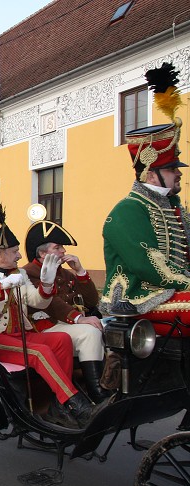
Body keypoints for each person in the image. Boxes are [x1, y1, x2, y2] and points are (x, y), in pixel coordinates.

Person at [0, 206, 103, 428]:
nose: (19, 255)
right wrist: (0, 287)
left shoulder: (20, 274)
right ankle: (74, 402)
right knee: (39, 352)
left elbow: (37, 301)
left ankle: (56, 405)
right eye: (14, 251)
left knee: (62, 340)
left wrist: (46, 284)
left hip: (21, 333)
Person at [101, 62, 190, 335]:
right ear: (151, 174)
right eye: (172, 169)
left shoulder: (175, 208)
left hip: (169, 293)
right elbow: (147, 264)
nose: (178, 174)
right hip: (137, 298)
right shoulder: (128, 211)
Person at [22, 221, 109, 403]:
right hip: (45, 327)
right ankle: (97, 393)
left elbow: (92, 301)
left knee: (110, 330)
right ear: (43, 253)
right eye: (58, 247)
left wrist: (81, 271)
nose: (63, 251)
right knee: (90, 333)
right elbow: (50, 302)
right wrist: (78, 318)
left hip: (65, 325)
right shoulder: (29, 273)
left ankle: (103, 383)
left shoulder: (65, 274)